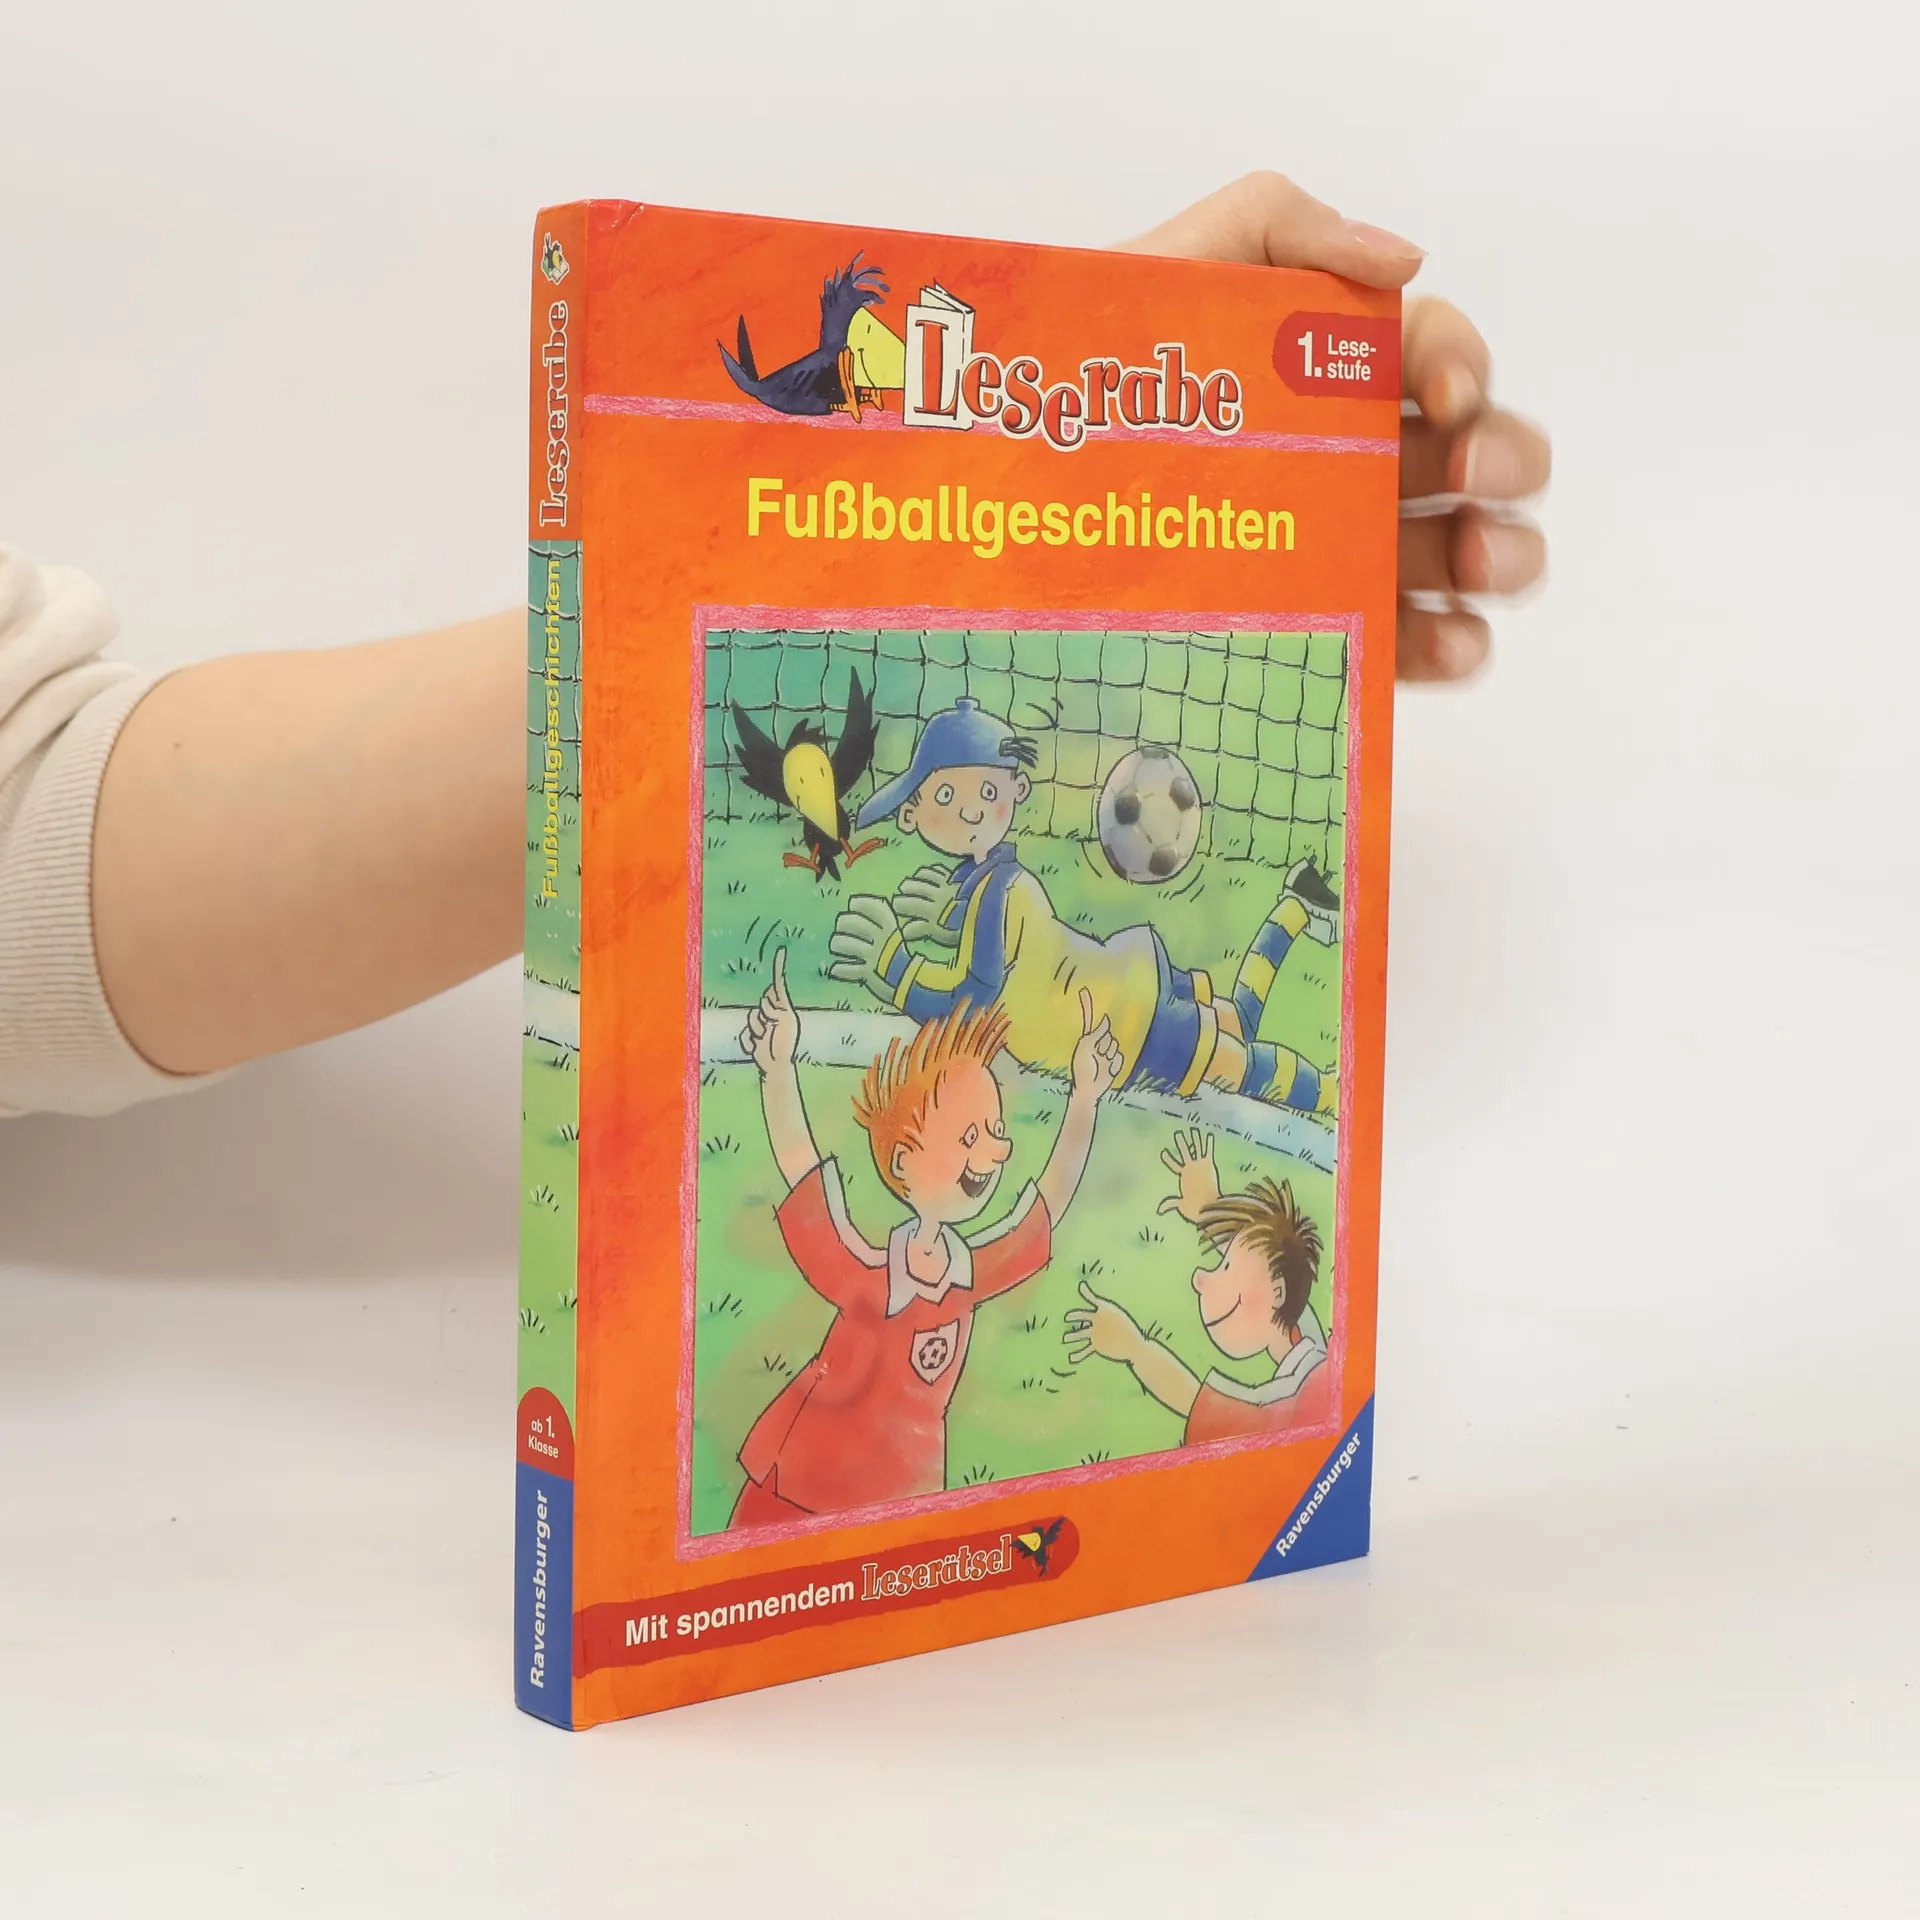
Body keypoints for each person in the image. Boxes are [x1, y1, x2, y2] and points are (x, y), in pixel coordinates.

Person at [0, 173, 1549, 1118]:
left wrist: (1003, 454)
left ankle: (1289, 947)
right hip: (1114, 1021)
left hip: (1117, 1007)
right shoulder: (974, 877)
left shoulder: (994, 878)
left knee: (1235, 1048)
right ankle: (1289, 950)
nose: (966, 812)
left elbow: (39, 840)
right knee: (1234, 1051)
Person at [728, 950, 1122, 1526]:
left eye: (995, 1130)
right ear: (902, 1163)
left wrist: (1084, 1098)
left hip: (903, 1497)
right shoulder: (867, 1277)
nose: (997, 1151)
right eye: (969, 1136)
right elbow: (805, 1177)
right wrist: (778, 1072)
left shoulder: (971, 1273)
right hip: (804, 1484)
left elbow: (1044, 1209)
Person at [827, 697, 1345, 1112]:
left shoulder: (998, 889)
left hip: (1130, 1025)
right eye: (945, 798)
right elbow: (1002, 946)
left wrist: (897, 968)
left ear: (1017, 788)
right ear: (910, 814)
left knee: (1243, 1069)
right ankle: (1295, 905)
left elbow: (975, 1002)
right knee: (1238, 1025)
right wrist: (949, 917)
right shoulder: (997, 881)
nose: (970, 810)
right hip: (1125, 985)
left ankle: (1332, 1094)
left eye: (987, 790)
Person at [1061, 1128, 1332, 1443]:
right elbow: (1279, 1284)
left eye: (1226, 1267)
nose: (1199, 1279)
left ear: (1278, 1292)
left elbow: (1200, 1403)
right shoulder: (1314, 1359)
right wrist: (1209, 1208)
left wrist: (1134, 1348)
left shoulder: (1293, 1402)